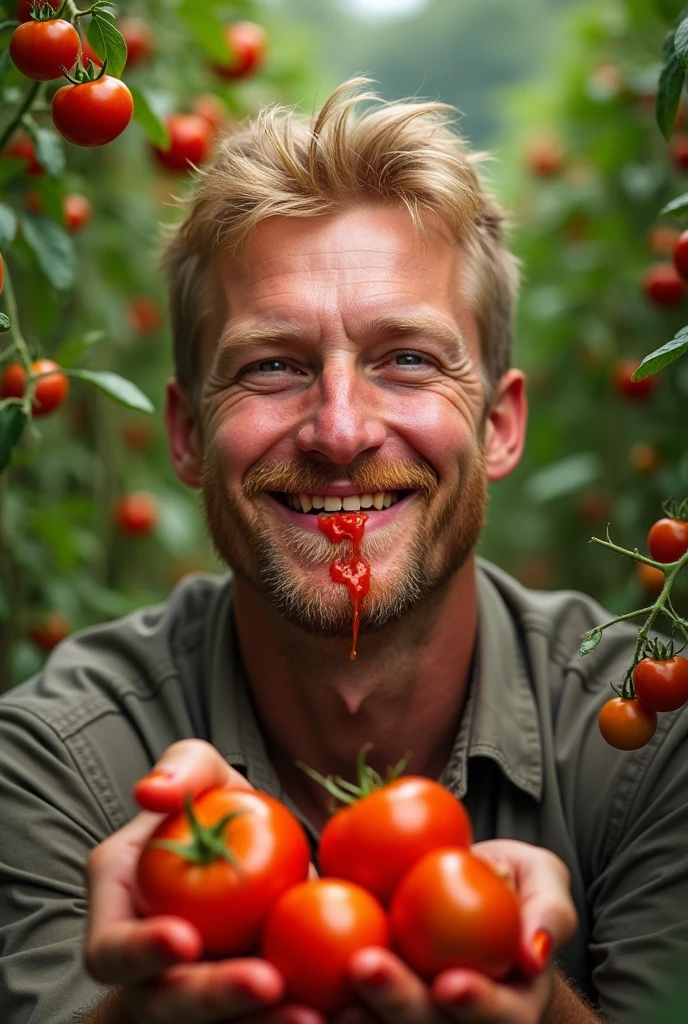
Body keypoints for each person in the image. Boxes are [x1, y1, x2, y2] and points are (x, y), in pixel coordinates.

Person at [0, 78, 686, 1024]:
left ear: (500, 423)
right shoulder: (52, 760)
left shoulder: (653, 741)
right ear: (189, 435)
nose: (339, 430)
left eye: (407, 358)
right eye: (272, 365)